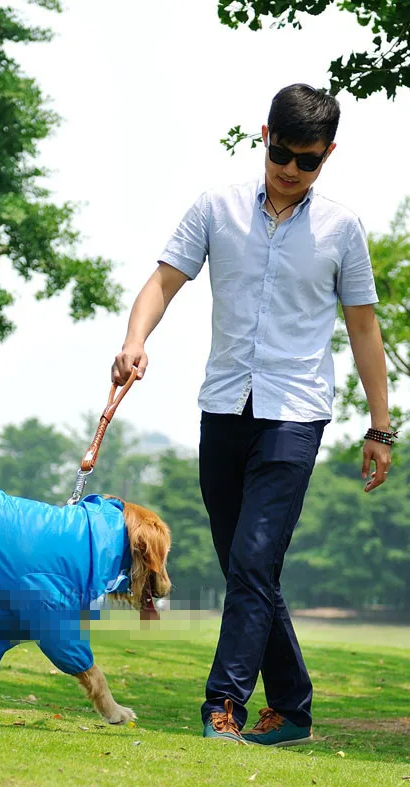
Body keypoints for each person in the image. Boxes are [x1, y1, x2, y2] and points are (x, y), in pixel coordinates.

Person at [111, 84, 394, 746]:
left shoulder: (341, 229)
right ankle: (292, 707)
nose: (291, 170)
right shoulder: (216, 208)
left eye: (308, 160)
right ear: (264, 136)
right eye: (282, 154)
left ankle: (223, 707)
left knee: (255, 558)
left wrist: (380, 428)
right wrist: (134, 341)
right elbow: (163, 281)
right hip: (224, 406)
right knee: (247, 565)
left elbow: (363, 330)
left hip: (296, 416)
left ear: (328, 155)